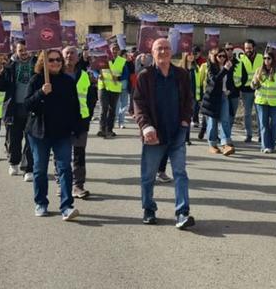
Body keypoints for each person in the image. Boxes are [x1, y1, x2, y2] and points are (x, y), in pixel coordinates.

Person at [133, 38, 195, 228]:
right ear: (152, 53)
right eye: (159, 48)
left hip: (177, 132)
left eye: (167, 48)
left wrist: (185, 121)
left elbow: (188, 100)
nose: (163, 52)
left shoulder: (182, 75)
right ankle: (149, 209)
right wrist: (146, 127)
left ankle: (182, 213)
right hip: (154, 134)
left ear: (172, 52)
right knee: (148, 175)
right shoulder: (145, 76)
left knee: (180, 173)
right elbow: (138, 104)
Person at [19, 49, 80, 220]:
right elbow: (27, 106)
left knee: (65, 168)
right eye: (51, 60)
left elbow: (74, 106)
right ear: (43, 62)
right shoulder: (37, 80)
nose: (55, 63)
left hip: (62, 133)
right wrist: (41, 93)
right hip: (39, 133)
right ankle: (41, 203)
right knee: (39, 169)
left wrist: (76, 127)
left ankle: (67, 206)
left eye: (58, 60)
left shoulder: (68, 81)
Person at [0, 41, 37, 181]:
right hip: (14, 108)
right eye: (21, 50)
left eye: (26, 49)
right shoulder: (10, 66)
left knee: (31, 139)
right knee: (13, 138)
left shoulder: (38, 65)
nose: (24, 52)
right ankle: (13, 162)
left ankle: (28, 168)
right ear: (16, 51)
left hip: (32, 108)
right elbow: (2, 87)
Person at [62, 45, 96, 199]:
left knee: (79, 154)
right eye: (67, 53)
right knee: (61, 154)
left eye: (72, 53)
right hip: (61, 120)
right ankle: (62, 184)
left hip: (81, 121)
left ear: (78, 57)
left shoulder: (84, 75)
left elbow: (91, 97)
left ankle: (78, 185)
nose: (69, 56)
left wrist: (88, 115)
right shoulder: (55, 75)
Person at [200, 48, 236, 156]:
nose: (222, 58)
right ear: (215, 57)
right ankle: (212, 144)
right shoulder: (211, 67)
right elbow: (215, 80)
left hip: (224, 96)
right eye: (219, 56)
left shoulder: (228, 67)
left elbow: (231, 81)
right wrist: (224, 69)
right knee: (212, 121)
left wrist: (230, 90)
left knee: (225, 119)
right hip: (212, 98)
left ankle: (226, 143)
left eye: (224, 56)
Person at [253, 47, 276, 153]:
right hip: (261, 101)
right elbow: (253, 86)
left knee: (275, 123)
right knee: (263, 124)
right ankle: (266, 146)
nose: (266, 60)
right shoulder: (259, 71)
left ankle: (272, 144)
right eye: (264, 58)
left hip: (275, 102)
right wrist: (255, 82)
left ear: (273, 59)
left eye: (269, 58)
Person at [233, 39, 262, 143]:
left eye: (249, 48)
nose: (248, 50)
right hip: (246, 90)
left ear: (254, 47)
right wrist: (239, 87)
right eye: (246, 48)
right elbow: (237, 74)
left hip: (259, 89)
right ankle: (249, 134)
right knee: (247, 114)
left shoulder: (261, 58)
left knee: (259, 114)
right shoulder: (240, 58)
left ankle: (261, 135)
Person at [98, 43, 126, 138]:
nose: (114, 51)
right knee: (104, 107)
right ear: (109, 50)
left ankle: (109, 129)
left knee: (112, 110)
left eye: (116, 49)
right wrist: (97, 75)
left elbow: (126, 74)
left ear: (118, 51)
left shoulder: (121, 61)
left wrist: (118, 78)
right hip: (103, 86)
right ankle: (102, 129)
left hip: (115, 88)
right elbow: (94, 69)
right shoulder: (103, 59)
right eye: (113, 49)